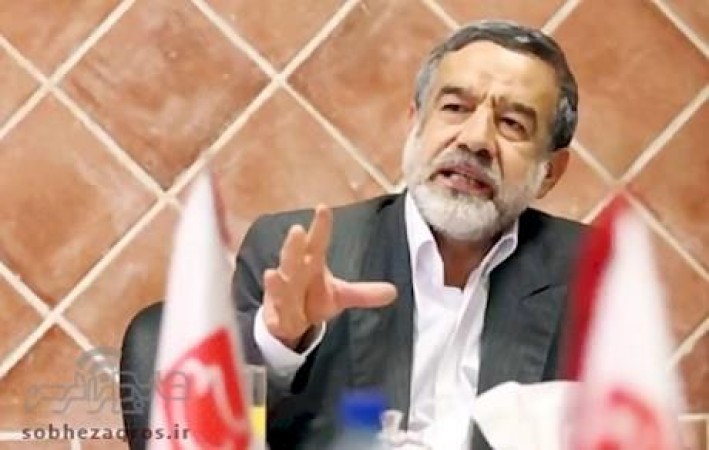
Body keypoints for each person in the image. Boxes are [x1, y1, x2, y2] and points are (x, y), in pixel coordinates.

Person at [233, 19, 584, 450]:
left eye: (512, 123)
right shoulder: (297, 254)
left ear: (550, 172)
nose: (475, 139)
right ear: (415, 122)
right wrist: (278, 341)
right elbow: (206, 426)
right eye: (455, 108)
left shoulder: (593, 278)